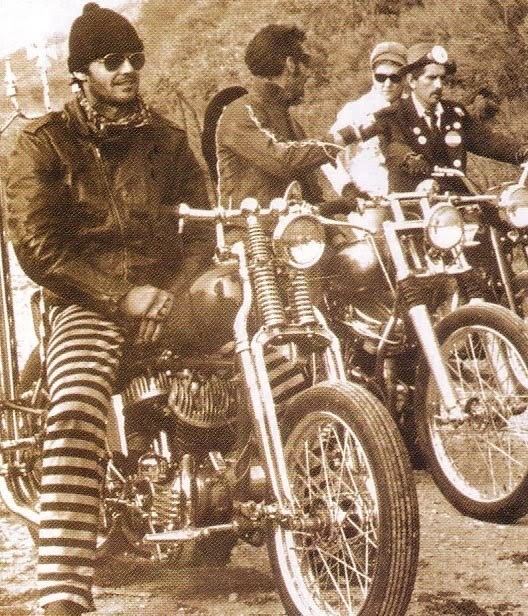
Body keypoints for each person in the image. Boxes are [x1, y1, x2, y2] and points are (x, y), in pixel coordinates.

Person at [5, 3, 211, 614]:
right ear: (80, 72)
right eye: (111, 60)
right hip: (86, 300)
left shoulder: (167, 139)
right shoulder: (43, 142)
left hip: (168, 293)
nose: (127, 70)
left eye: (134, 59)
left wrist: (173, 287)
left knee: (269, 352)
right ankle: (63, 586)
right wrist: (120, 295)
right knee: (75, 405)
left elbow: (201, 227)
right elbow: (38, 246)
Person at [336, 42, 528, 193]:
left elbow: (486, 141)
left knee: (509, 225)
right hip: (413, 207)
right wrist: (410, 159)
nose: (439, 85)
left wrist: (521, 152)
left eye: (442, 78)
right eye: (431, 78)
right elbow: (394, 149)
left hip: (457, 198)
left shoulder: (454, 113)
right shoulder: (391, 116)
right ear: (412, 81)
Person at [215, 24, 343, 208]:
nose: (307, 73)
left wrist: (342, 216)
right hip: (249, 226)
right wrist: (348, 135)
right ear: (291, 64)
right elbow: (283, 161)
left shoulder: (291, 123)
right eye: (304, 61)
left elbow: (311, 198)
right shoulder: (239, 114)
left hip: (292, 226)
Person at [322, 41, 407, 198]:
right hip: (369, 200)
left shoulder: (413, 109)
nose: (387, 84)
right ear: (372, 75)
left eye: (395, 78)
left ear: (405, 78)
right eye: (381, 77)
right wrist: (347, 188)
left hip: (409, 198)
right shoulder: (355, 110)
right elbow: (326, 153)